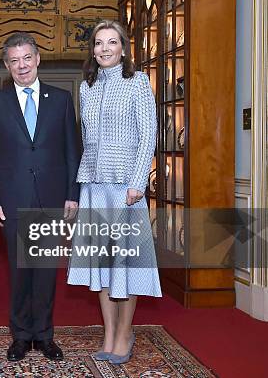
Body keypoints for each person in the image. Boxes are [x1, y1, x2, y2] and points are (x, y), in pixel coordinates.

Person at [0, 32, 80, 361]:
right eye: (14, 61)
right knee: (21, 272)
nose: (21, 65)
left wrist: (72, 195)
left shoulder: (62, 99)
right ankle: (21, 335)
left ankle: (44, 335)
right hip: (12, 200)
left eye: (26, 58)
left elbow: (71, 152)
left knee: (47, 270)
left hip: (51, 199)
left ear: (37, 59)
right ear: (7, 65)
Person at [67, 20, 162, 365]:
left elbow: (148, 134)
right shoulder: (87, 87)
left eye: (112, 42)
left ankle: (125, 333)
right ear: (92, 50)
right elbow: (85, 140)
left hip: (126, 189)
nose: (104, 48)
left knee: (126, 264)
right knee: (102, 265)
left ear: (124, 47)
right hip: (93, 185)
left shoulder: (136, 82)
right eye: (98, 43)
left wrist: (139, 181)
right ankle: (109, 332)